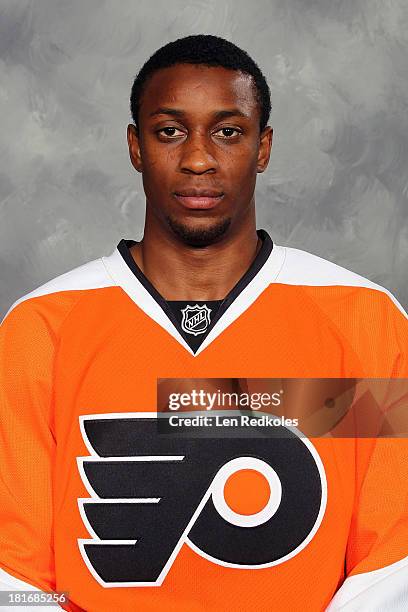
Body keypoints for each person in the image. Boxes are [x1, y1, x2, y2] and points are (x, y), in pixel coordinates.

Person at [0, 34, 407, 612]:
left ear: (262, 148)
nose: (197, 158)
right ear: (135, 146)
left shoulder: (365, 321)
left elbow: (394, 559)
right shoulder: (40, 329)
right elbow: (14, 577)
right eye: (169, 131)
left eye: (228, 131)